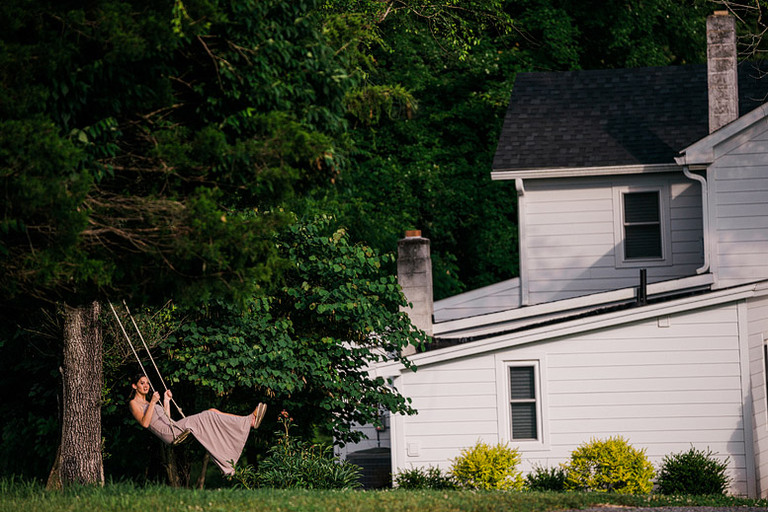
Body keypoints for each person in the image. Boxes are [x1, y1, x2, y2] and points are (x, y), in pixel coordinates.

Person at [128, 374, 267, 475]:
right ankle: (249, 420)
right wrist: (153, 402)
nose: (146, 385)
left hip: (172, 427)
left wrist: (166, 401)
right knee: (208, 415)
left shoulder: (149, 402)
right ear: (134, 386)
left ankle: (248, 421)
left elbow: (167, 419)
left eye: (147, 383)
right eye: (142, 383)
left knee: (212, 412)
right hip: (170, 434)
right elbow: (145, 424)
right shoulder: (134, 404)